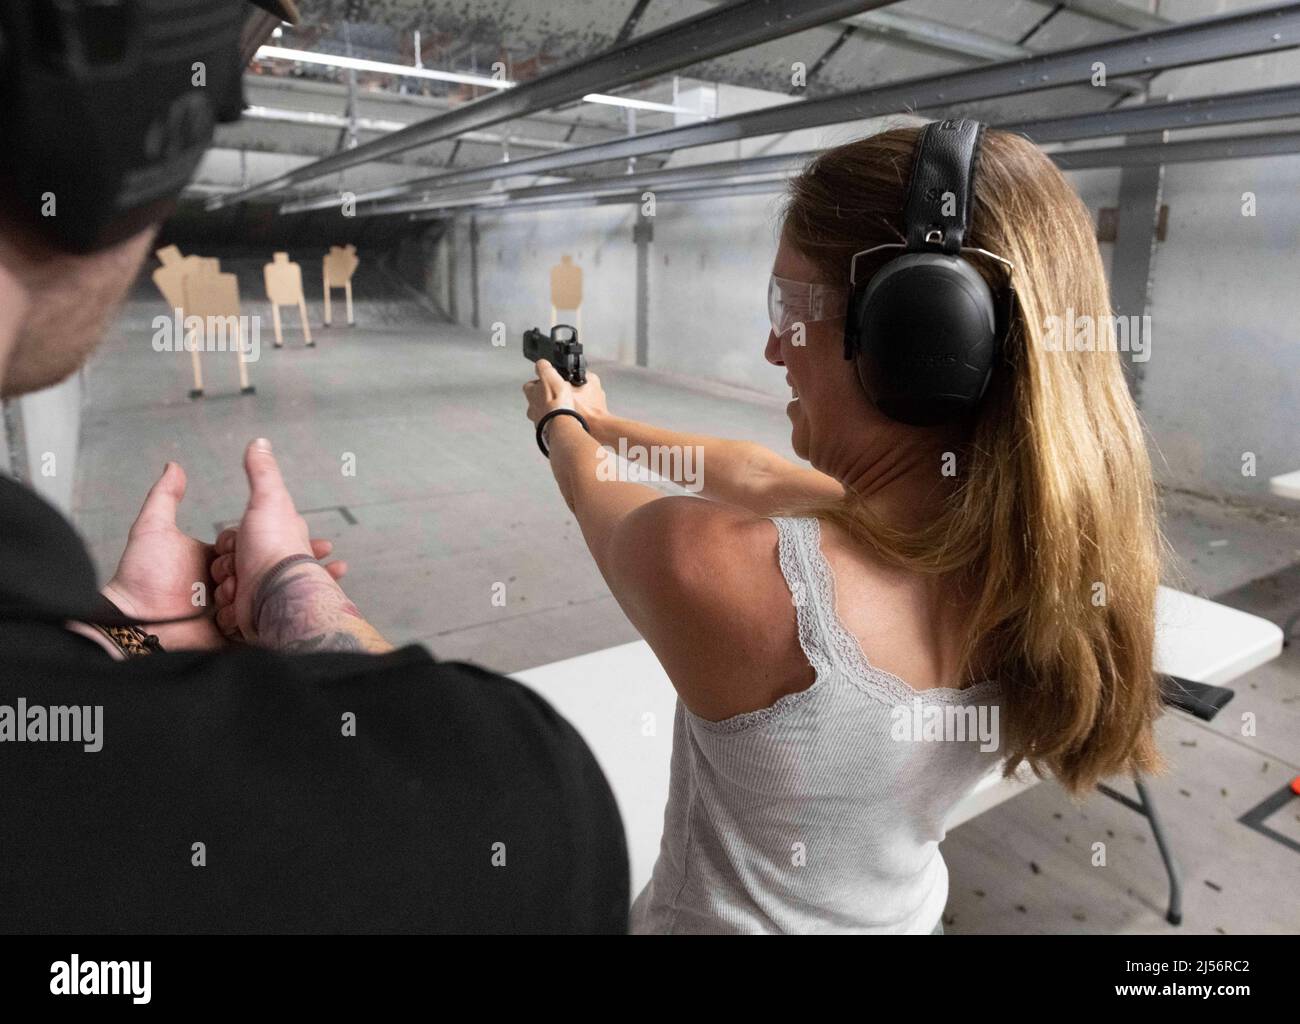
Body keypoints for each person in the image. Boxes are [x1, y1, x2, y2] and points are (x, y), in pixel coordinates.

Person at [0, 0, 627, 933]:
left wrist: (122, 636)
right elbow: (456, 775)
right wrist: (298, 590)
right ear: (132, 125)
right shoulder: (495, 809)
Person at [522, 123, 1163, 934]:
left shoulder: (718, 571)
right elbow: (754, 474)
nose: (771, 344)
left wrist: (560, 428)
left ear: (916, 333)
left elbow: (594, 497)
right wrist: (604, 421)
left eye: (790, 306)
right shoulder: (1038, 561)